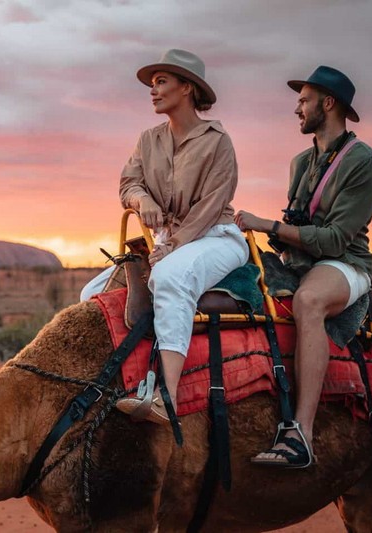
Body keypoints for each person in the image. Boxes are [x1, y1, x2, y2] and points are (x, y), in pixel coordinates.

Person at [81, 49, 248, 424]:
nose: (152, 91)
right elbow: (129, 183)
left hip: (215, 236)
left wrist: (170, 246)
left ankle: (165, 398)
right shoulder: (148, 140)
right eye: (152, 84)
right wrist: (141, 200)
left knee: (169, 278)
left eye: (161, 82)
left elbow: (210, 206)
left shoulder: (218, 141)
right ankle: (115, 386)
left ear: (186, 88)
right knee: (91, 296)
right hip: (166, 242)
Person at [235, 66, 372, 468]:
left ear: (328, 103)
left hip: (344, 264)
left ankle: (301, 433)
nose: (297, 109)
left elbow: (335, 238)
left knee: (309, 300)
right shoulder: (301, 162)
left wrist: (269, 224)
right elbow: (298, 224)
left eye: (303, 100)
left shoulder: (363, 161)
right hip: (298, 260)